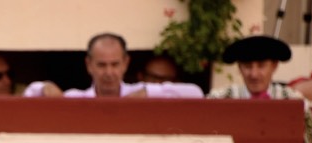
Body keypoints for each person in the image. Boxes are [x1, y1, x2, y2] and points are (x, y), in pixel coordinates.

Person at [209, 36, 312, 143]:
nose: (254, 74)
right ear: (239, 67)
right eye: (247, 66)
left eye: (261, 65)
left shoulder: (292, 100)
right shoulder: (219, 99)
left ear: (274, 66)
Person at [23, 33, 203, 98]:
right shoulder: (75, 98)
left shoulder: (141, 93)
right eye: (102, 65)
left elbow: (196, 93)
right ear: (89, 65)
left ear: (125, 63)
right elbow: (28, 94)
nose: (109, 72)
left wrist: (149, 92)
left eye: (115, 64)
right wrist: (45, 87)